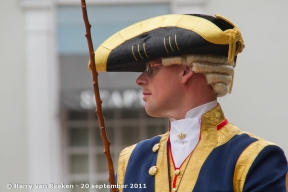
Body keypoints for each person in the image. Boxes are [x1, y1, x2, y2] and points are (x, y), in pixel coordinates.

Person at [92, 14, 288, 191]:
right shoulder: (132, 159)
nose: (140, 79)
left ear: (185, 71)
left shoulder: (254, 157)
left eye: (151, 68)